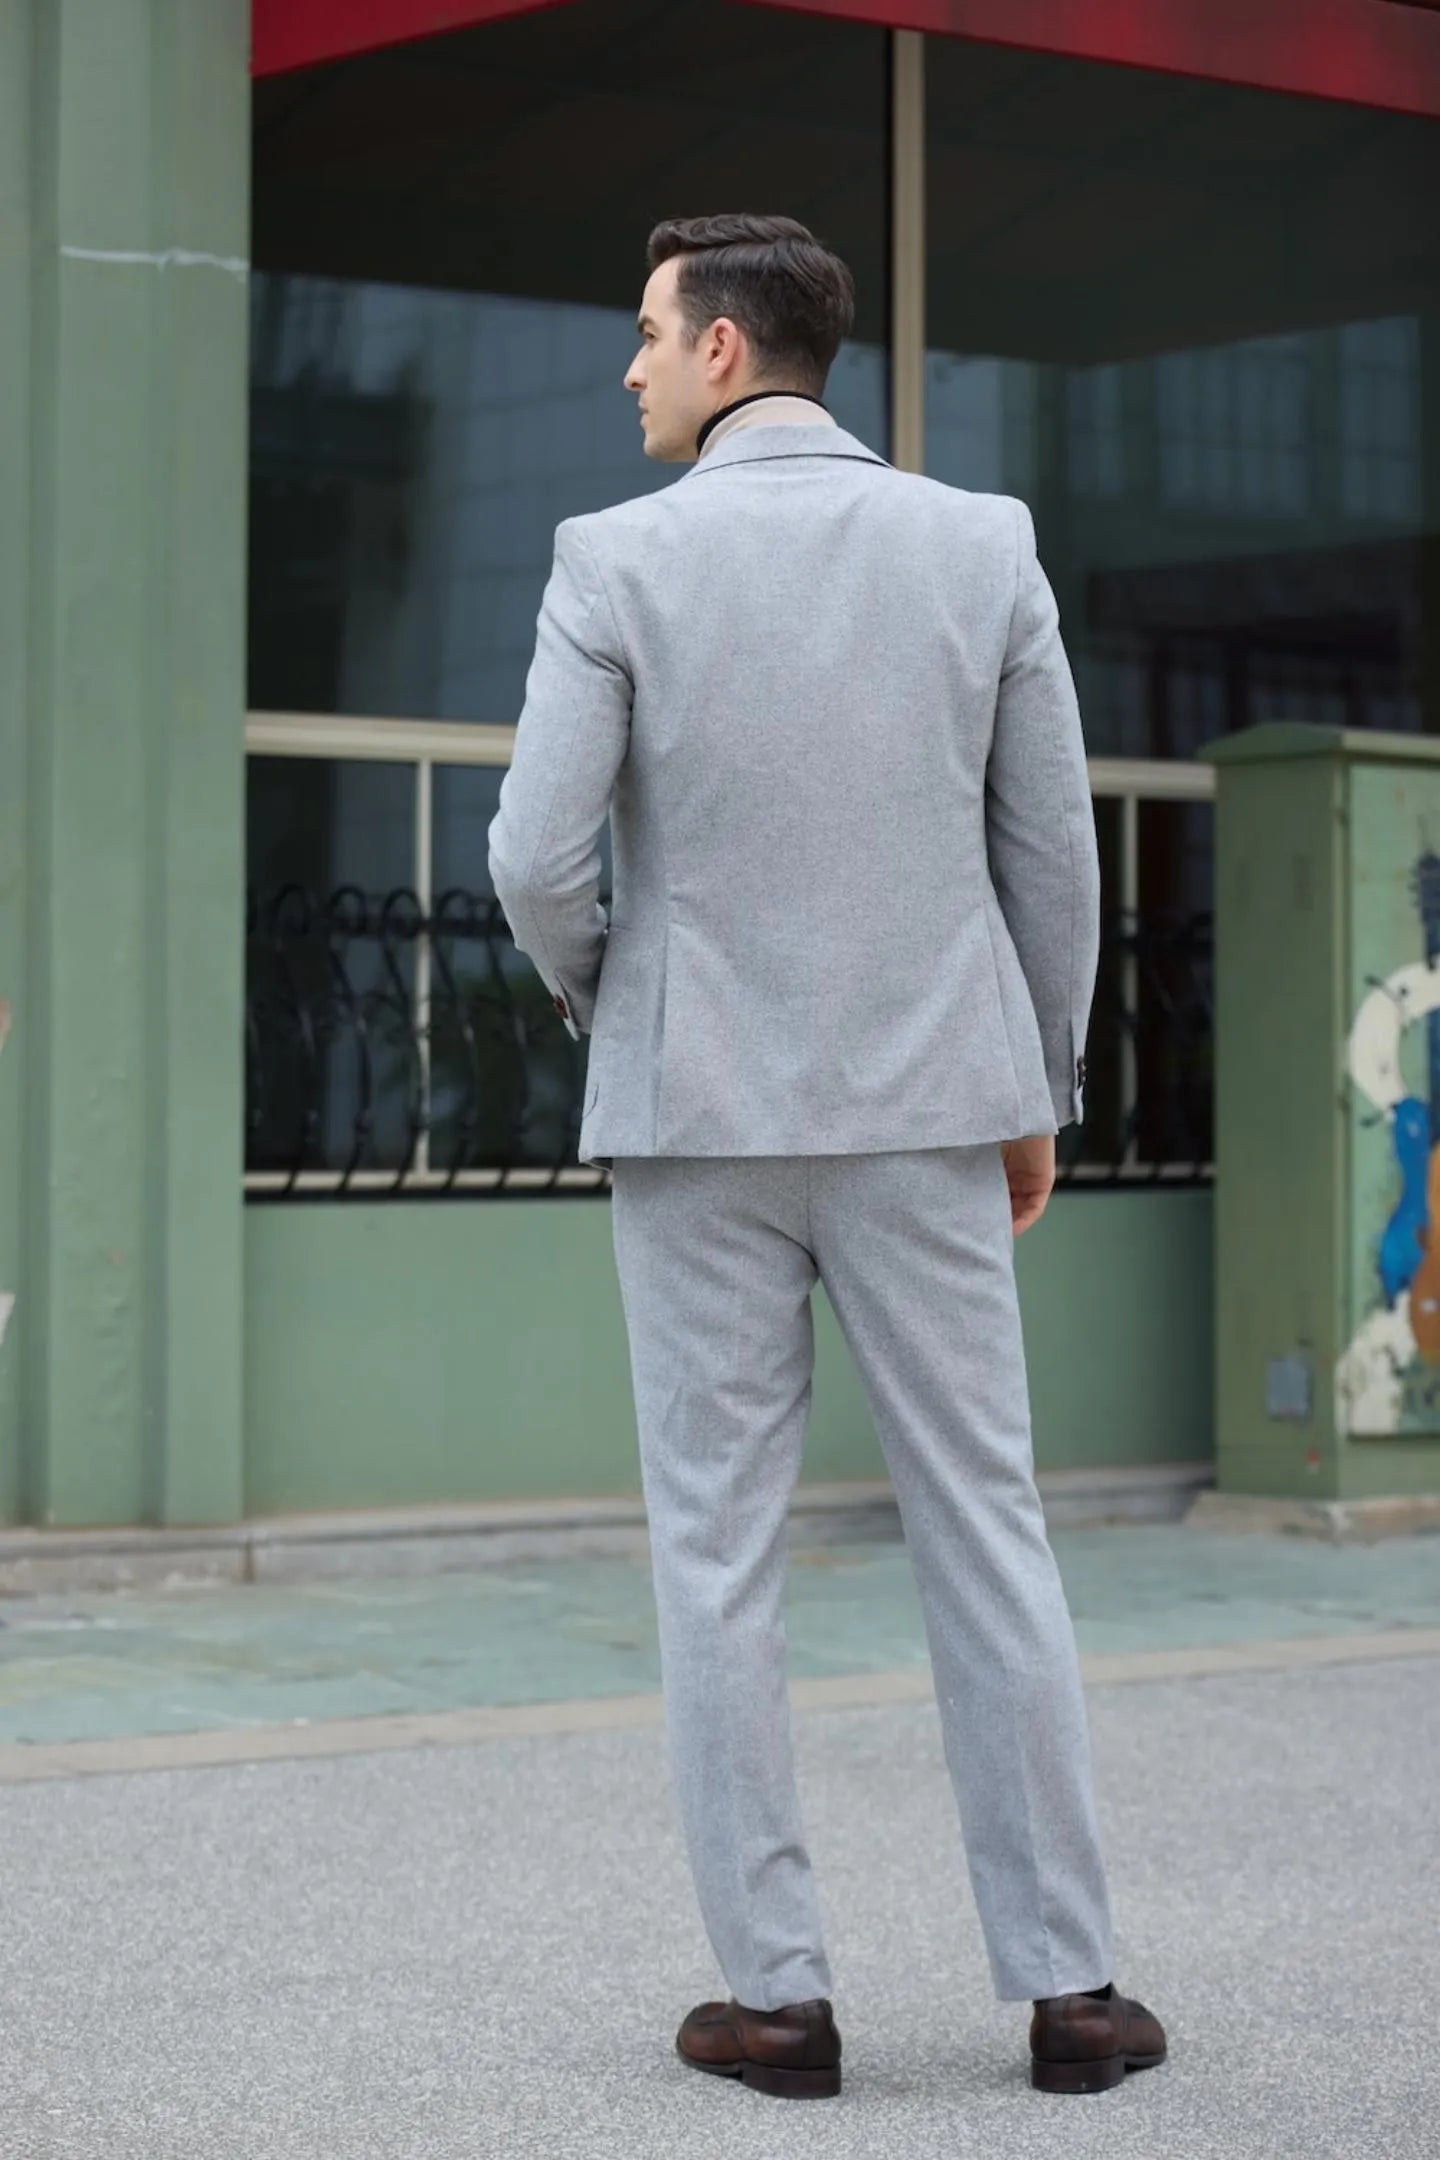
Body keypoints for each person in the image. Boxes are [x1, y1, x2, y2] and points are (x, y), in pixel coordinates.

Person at [487, 212, 1167, 2102]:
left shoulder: (610, 562)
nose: (628, 365)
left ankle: (777, 2005)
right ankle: (1075, 1997)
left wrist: (629, 1001)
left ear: (722, 351)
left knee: (717, 1554)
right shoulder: (984, 545)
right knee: (989, 1525)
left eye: (644, 333)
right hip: (930, 1112)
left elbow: (536, 863)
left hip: (694, 1121)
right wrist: (1036, 1088)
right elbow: (1056, 859)